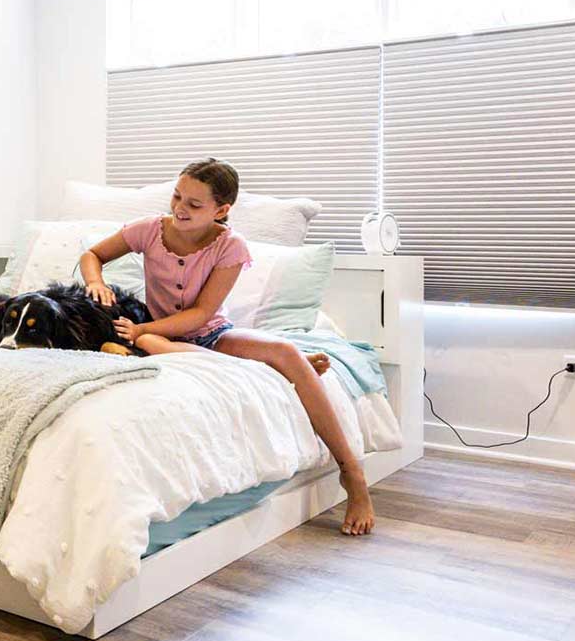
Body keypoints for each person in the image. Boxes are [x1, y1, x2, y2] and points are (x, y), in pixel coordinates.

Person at [78, 158, 376, 536]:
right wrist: (96, 283)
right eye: (177, 196)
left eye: (193, 204)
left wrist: (140, 329)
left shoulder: (230, 246)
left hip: (207, 333)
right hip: (161, 338)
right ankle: (275, 368)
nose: (179, 208)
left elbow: (202, 313)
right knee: (155, 343)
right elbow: (93, 255)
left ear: (221, 210)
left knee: (283, 350)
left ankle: (352, 470)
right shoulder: (149, 231)